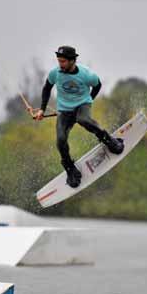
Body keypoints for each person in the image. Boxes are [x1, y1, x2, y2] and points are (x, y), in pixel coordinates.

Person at [35, 45, 124, 188]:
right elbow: (47, 88)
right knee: (60, 140)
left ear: (72, 61)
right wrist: (41, 110)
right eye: (59, 61)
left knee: (83, 120)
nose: (60, 64)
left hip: (82, 106)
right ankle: (70, 169)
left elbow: (97, 85)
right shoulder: (55, 73)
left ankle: (109, 141)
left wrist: (89, 100)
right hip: (64, 111)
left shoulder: (86, 75)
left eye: (63, 61)